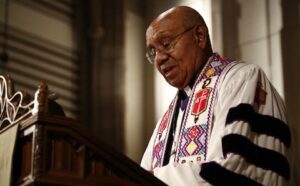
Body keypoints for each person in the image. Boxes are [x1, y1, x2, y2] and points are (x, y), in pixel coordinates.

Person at [140, 6, 293, 186]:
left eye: (166, 44)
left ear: (200, 36)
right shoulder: (166, 121)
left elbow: (235, 168)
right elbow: (136, 175)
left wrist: (157, 177)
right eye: (153, 52)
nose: (159, 59)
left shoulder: (242, 79)